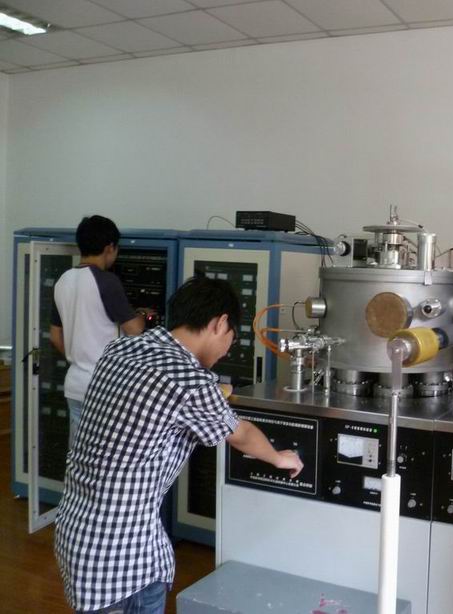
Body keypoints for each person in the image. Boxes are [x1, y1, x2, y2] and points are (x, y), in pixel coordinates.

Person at [54, 276, 304, 613]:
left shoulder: (122, 349)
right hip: (124, 563)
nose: (227, 351)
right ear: (220, 323)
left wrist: (215, 391)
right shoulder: (189, 382)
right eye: (230, 340)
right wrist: (279, 457)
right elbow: (241, 433)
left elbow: (154, 397)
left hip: (77, 533)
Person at [49, 215, 147, 442]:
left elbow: (55, 337)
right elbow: (134, 329)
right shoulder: (107, 281)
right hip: (104, 387)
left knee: (79, 453)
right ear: (109, 247)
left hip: (75, 385)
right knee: (106, 454)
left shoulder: (63, 281)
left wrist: (80, 359)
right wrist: (143, 315)